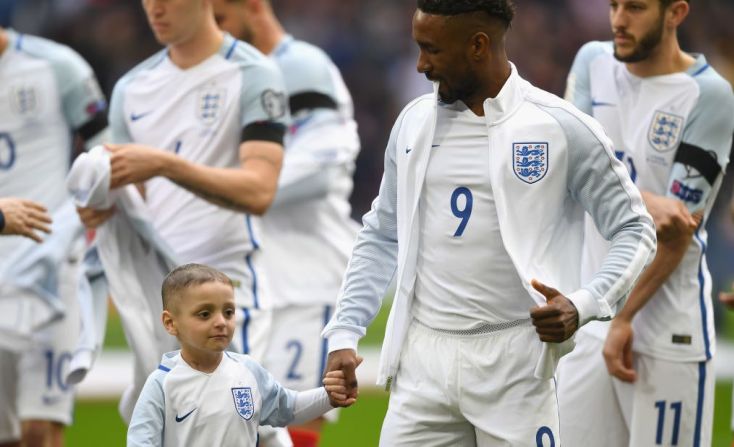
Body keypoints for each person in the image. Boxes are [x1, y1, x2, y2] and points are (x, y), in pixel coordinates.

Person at [322, 0, 656, 445]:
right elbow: (382, 233)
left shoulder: (559, 127)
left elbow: (635, 230)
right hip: (423, 361)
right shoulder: (413, 124)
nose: (420, 64)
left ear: (478, 45)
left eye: (432, 49)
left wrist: (584, 303)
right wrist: (345, 331)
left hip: (516, 362)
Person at [76, 0, 289, 422]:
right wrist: (100, 206)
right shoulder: (131, 88)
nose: (154, 7)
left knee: (231, 424)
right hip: (161, 298)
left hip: (228, 292)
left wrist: (165, 164)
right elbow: (129, 194)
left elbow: (260, 189)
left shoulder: (253, 73)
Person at [556, 0, 734, 445]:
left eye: (634, 7)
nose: (618, 19)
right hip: (591, 315)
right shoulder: (592, 62)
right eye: (614, 5)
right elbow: (565, 169)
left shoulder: (709, 96)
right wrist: (646, 199)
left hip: (666, 330)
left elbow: (675, 232)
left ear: (675, 14)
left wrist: (624, 318)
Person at [211, 0, 361, 445]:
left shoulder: (300, 67)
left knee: (289, 426)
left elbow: (324, 161)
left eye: (219, 20)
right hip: (257, 278)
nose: (214, 35)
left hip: (306, 280)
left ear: (253, 6)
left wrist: (235, 189)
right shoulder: (232, 73)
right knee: (245, 425)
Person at [0, 26, 108, 447]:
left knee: (39, 429)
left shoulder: (57, 66)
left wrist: (96, 197)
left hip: (53, 267)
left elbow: (106, 149)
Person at [127, 263, 356, 447]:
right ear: (170, 322)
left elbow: (289, 408)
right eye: (204, 314)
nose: (220, 322)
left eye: (228, 312)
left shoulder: (248, 371)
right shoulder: (161, 384)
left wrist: (330, 396)